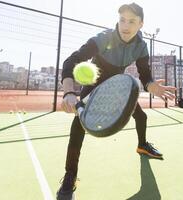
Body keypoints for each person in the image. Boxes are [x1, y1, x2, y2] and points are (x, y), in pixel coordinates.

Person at [58, 3, 176, 199]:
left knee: (141, 116)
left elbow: (145, 76)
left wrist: (152, 85)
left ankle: (142, 145)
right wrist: (69, 93)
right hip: (95, 84)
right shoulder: (103, 38)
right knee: (78, 125)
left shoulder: (141, 46)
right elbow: (70, 62)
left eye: (132, 21)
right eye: (122, 20)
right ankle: (70, 175)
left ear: (141, 24)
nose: (125, 25)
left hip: (118, 86)